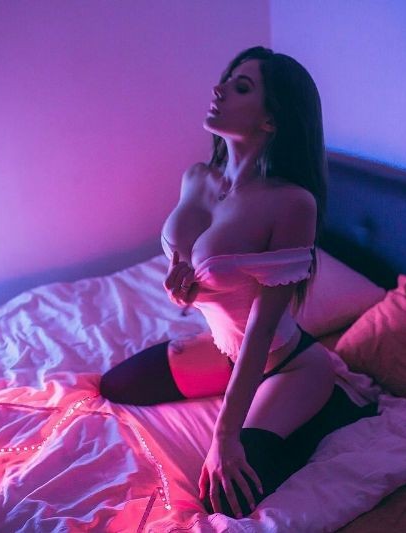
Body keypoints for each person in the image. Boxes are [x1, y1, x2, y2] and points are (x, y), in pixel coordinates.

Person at [99, 46, 377, 519]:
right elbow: (191, 257)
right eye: (227, 78)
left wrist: (224, 436)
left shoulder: (291, 203)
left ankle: (331, 402)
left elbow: (263, 328)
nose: (219, 89)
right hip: (226, 351)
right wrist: (181, 278)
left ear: (271, 120)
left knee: (224, 497)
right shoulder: (196, 178)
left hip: (286, 364)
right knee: (117, 385)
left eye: (241, 86)